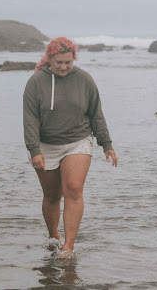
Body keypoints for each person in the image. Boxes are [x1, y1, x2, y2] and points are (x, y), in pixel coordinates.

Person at [23, 37, 118, 258]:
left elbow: (96, 113)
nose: (64, 67)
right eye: (59, 63)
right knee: (52, 196)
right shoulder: (36, 82)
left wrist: (107, 144)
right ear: (49, 59)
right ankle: (54, 236)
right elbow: (30, 119)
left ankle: (68, 247)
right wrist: (34, 150)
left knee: (74, 189)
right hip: (46, 145)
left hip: (78, 141)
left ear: (74, 59)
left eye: (69, 62)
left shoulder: (84, 79)